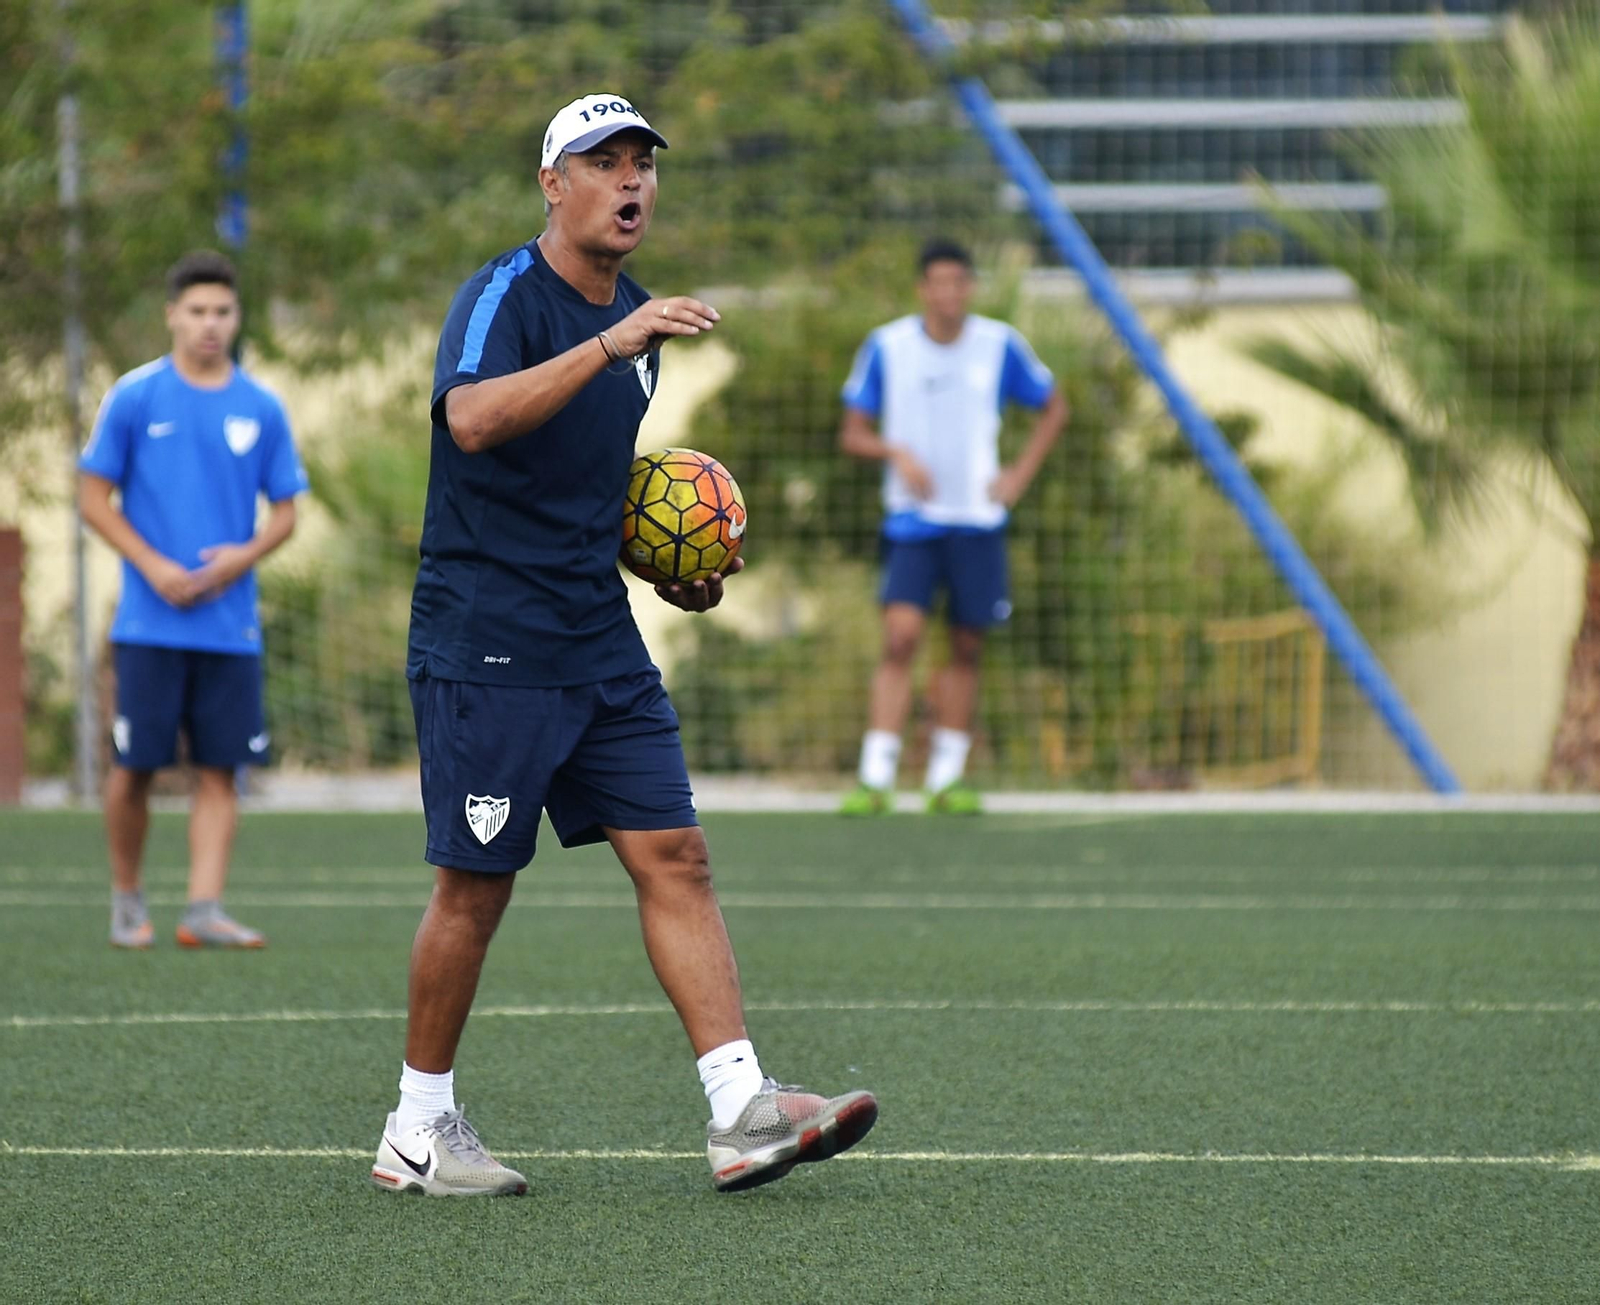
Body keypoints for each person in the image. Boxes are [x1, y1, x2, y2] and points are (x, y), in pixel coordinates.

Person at [371, 93, 878, 1198]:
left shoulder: (643, 326)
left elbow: (586, 495)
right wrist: (606, 344)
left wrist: (667, 572)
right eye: (603, 162)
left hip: (598, 640)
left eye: (643, 162)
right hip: (488, 640)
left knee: (677, 855)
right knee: (475, 889)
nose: (631, 179)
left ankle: (739, 1108)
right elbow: (470, 421)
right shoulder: (506, 297)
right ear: (553, 184)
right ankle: (416, 1127)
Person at [78, 249, 309, 948]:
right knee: (134, 769)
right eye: (198, 310)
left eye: (223, 311)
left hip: (229, 628)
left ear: (237, 318)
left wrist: (242, 556)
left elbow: (287, 513)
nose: (211, 323)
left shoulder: (261, 406)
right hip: (148, 625)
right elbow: (92, 497)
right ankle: (127, 901)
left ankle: (204, 909)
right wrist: (152, 565)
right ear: (172, 316)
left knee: (220, 770)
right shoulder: (135, 396)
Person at [838, 240, 1068, 816]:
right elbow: (853, 433)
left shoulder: (999, 345)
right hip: (913, 522)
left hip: (978, 521)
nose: (948, 293)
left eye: (958, 282)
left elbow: (1054, 407)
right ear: (923, 288)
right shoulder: (888, 346)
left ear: (970, 287)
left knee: (967, 645)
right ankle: (876, 776)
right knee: (901, 637)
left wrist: (1018, 474)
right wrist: (896, 452)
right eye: (937, 282)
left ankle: (946, 778)